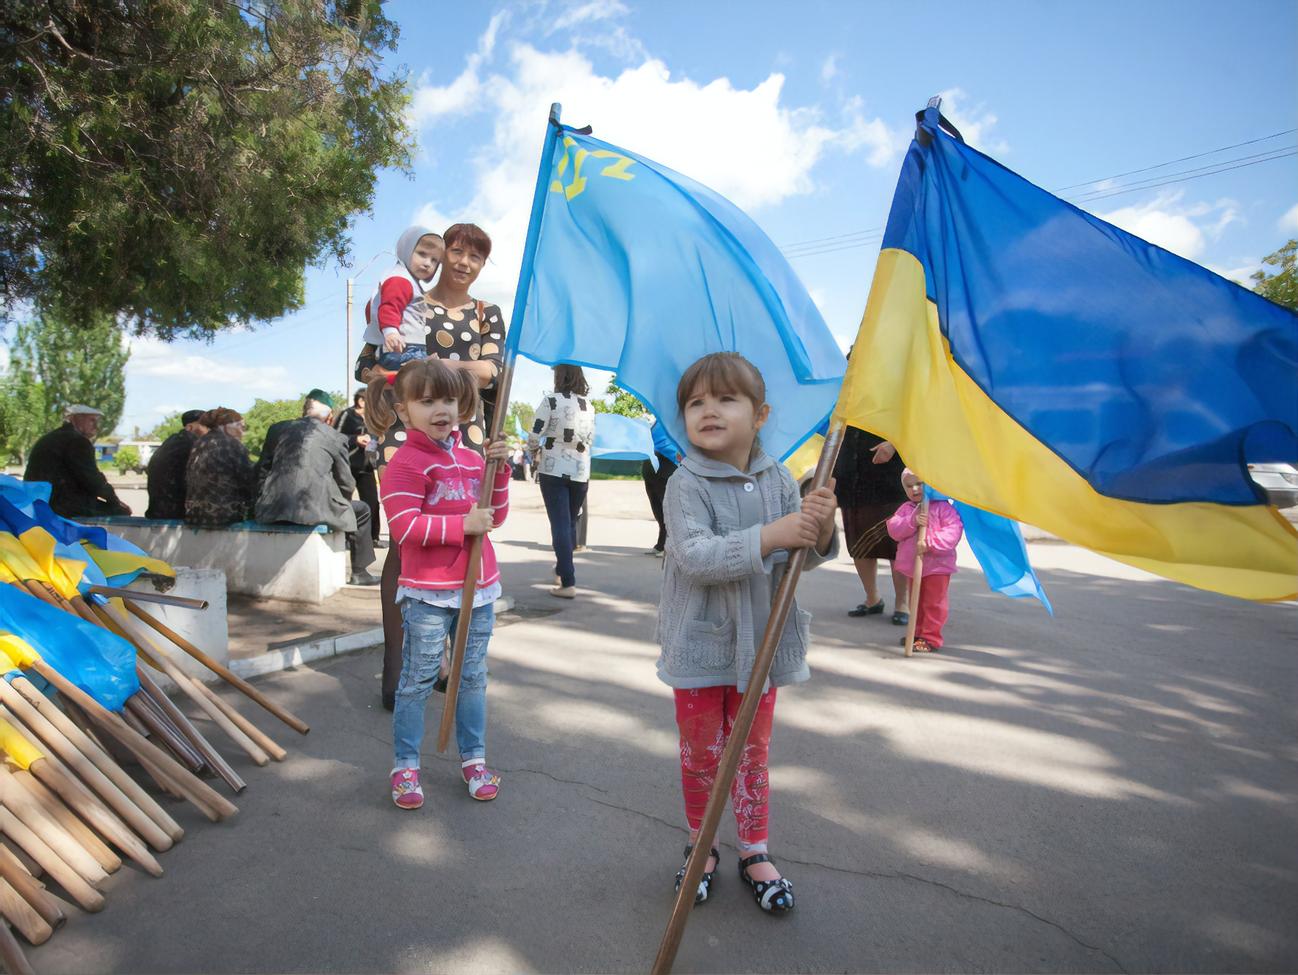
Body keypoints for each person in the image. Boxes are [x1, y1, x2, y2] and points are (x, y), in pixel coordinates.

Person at [657, 352, 838, 914]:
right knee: (701, 753)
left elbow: (797, 562)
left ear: (760, 415)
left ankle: (754, 849)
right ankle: (702, 842)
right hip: (700, 646)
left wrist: (819, 528)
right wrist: (770, 535)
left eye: (725, 399)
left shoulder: (780, 478)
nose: (708, 410)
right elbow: (694, 557)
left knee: (753, 753)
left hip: (761, 648)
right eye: (695, 402)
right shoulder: (685, 483)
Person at [374, 358, 512, 808]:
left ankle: (474, 760)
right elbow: (405, 529)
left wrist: (502, 473)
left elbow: (495, 517)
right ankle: (406, 767)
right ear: (403, 409)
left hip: (479, 589)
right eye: (427, 400)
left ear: (462, 404)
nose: (441, 409)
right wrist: (463, 527)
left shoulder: (474, 459)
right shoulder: (404, 465)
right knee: (417, 680)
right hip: (428, 594)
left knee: (472, 677)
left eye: (449, 399)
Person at [255, 389, 379, 586]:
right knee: (362, 509)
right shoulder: (334, 437)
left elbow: (261, 469)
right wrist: (342, 504)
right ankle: (359, 572)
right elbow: (346, 482)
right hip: (310, 510)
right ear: (329, 417)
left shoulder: (276, 429)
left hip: (271, 507)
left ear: (304, 410)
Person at [527, 365, 596, 599]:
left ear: (559, 377)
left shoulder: (551, 401)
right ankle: (561, 569)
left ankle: (568, 582)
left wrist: (533, 451)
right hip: (580, 470)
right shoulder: (589, 406)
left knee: (559, 523)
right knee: (568, 523)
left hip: (553, 467)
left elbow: (535, 432)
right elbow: (591, 437)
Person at [834, 427, 911, 625]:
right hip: (852, 468)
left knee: (898, 542)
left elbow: (916, 419)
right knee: (858, 541)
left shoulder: (901, 395)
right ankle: (872, 599)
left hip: (890, 474)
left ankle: (903, 604)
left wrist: (894, 444)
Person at [887, 469, 964, 653]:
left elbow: (953, 532)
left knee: (933, 603)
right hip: (914, 566)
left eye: (919, 484)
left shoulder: (944, 508)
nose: (914, 489)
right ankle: (916, 631)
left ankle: (930, 637)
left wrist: (930, 542)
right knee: (917, 600)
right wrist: (912, 521)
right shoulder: (907, 509)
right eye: (909, 486)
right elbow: (894, 530)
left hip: (938, 567)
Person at [24, 405, 132, 517]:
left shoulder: (53, 437)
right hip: (60, 504)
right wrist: (115, 501)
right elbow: (92, 480)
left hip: (39, 499)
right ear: (76, 419)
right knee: (121, 512)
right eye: (92, 420)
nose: (96, 426)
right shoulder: (77, 442)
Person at [361, 226, 444, 371]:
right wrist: (390, 331)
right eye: (422, 254)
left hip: (408, 346)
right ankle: (420, 364)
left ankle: (422, 363)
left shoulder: (406, 280)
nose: (427, 263)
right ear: (406, 250)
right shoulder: (400, 279)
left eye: (434, 260)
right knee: (417, 372)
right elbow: (389, 307)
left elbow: (371, 306)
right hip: (402, 347)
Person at [185, 408, 255, 527]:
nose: (242, 431)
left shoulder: (199, 443)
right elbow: (249, 481)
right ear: (225, 426)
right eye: (240, 426)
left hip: (194, 515)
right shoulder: (232, 445)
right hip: (222, 516)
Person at [334, 391, 383, 549]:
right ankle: (345, 537)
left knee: (372, 502)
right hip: (347, 465)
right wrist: (355, 439)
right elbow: (335, 436)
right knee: (344, 501)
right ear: (361, 401)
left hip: (366, 465)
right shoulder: (346, 415)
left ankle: (372, 538)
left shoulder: (372, 418)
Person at [146, 409, 209, 518]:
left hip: (158, 510)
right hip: (175, 513)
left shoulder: (173, 440)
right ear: (189, 427)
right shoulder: (192, 443)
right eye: (205, 425)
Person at [642, 414, 682, 557]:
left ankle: (668, 546)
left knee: (667, 510)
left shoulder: (674, 420)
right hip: (651, 469)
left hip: (666, 469)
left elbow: (673, 446)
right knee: (658, 510)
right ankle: (661, 544)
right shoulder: (655, 420)